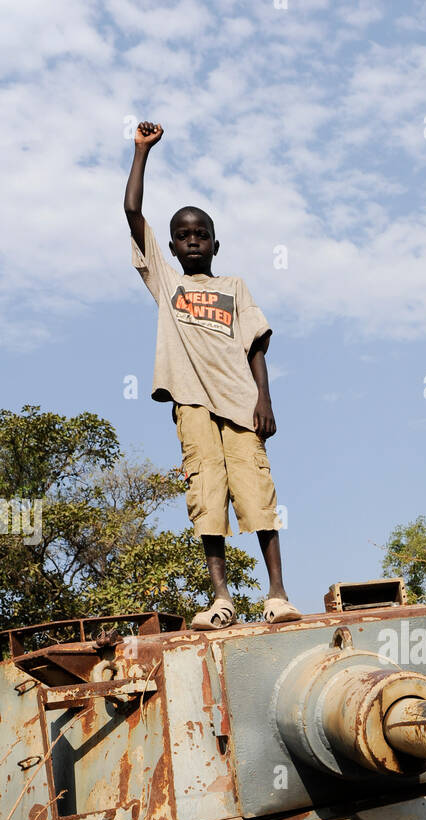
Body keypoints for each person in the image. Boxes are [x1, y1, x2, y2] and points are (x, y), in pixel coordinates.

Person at [124, 120, 300, 628]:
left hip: (242, 404)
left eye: (201, 234)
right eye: (183, 236)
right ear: (173, 248)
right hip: (193, 403)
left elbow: (256, 347)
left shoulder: (234, 286)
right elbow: (133, 212)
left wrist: (265, 399)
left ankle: (277, 594)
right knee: (205, 496)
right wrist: (141, 153)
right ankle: (221, 598)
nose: (192, 241)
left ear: (216, 244)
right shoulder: (166, 285)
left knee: (257, 493)